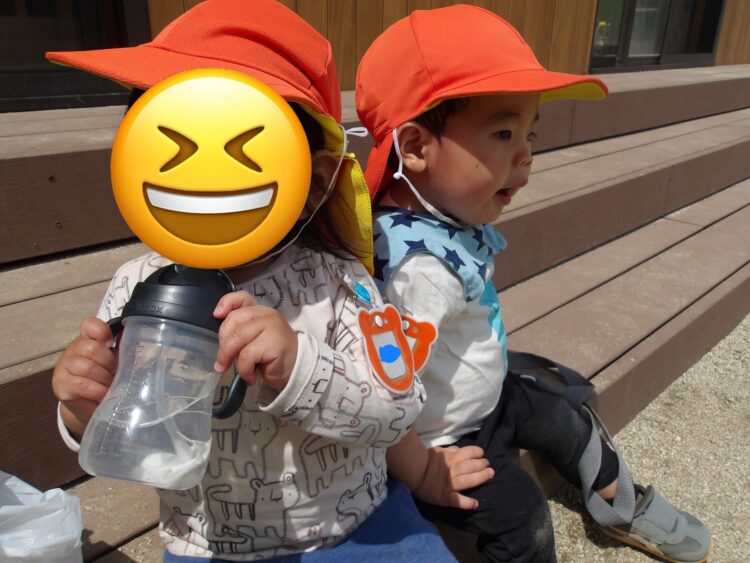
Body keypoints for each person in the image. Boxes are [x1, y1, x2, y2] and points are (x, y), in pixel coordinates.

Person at [47, 1, 457, 561]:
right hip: (206, 543)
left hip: (351, 528)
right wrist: (82, 403)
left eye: (244, 147)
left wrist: (301, 365)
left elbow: (400, 404)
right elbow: (126, 418)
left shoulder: (336, 281)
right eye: (171, 143)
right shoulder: (135, 284)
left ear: (314, 180)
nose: (202, 169)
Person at [355, 5, 712, 563]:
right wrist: (422, 471)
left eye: (530, 133)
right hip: (442, 442)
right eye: (503, 132)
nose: (526, 155)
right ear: (417, 148)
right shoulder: (417, 271)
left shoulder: (442, 221)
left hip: (486, 400)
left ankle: (616, 496)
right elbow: (386, 391)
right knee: (523, 517)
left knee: (563, 414)